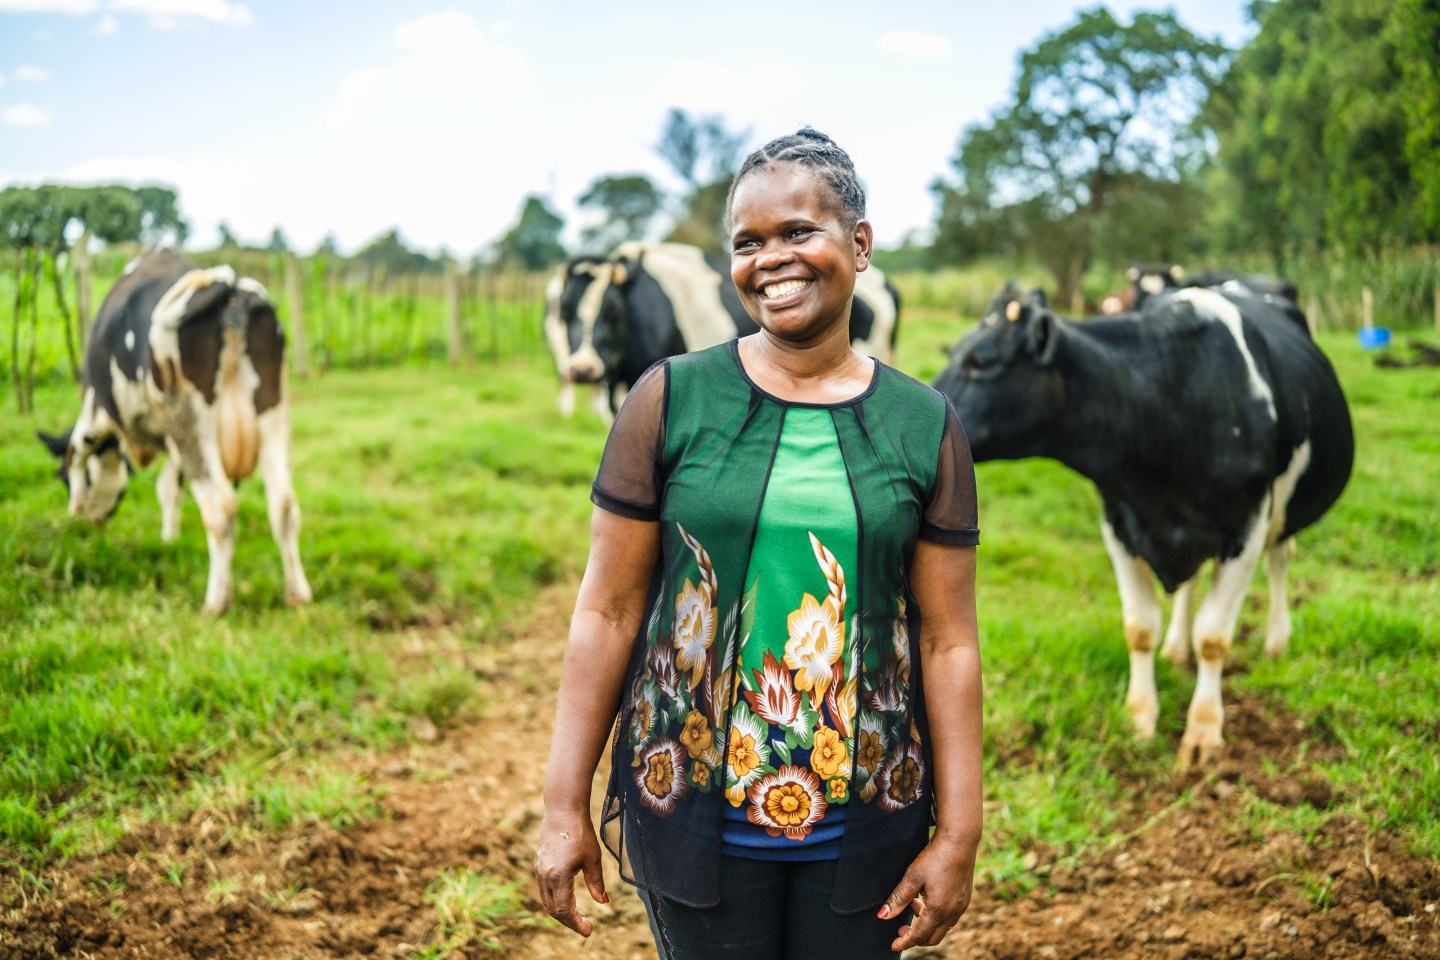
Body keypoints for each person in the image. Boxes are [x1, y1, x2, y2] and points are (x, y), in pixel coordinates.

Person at [535, 127, 982, 959]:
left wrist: (959, 832)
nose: (771, 258)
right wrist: (565, 804)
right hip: (693, 808)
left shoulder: (925, 424)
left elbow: (948, 638)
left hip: (871, 818)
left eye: (798, 232)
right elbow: (609, 608)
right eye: (748, 242)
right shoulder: (668, 400)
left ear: (859, 242)